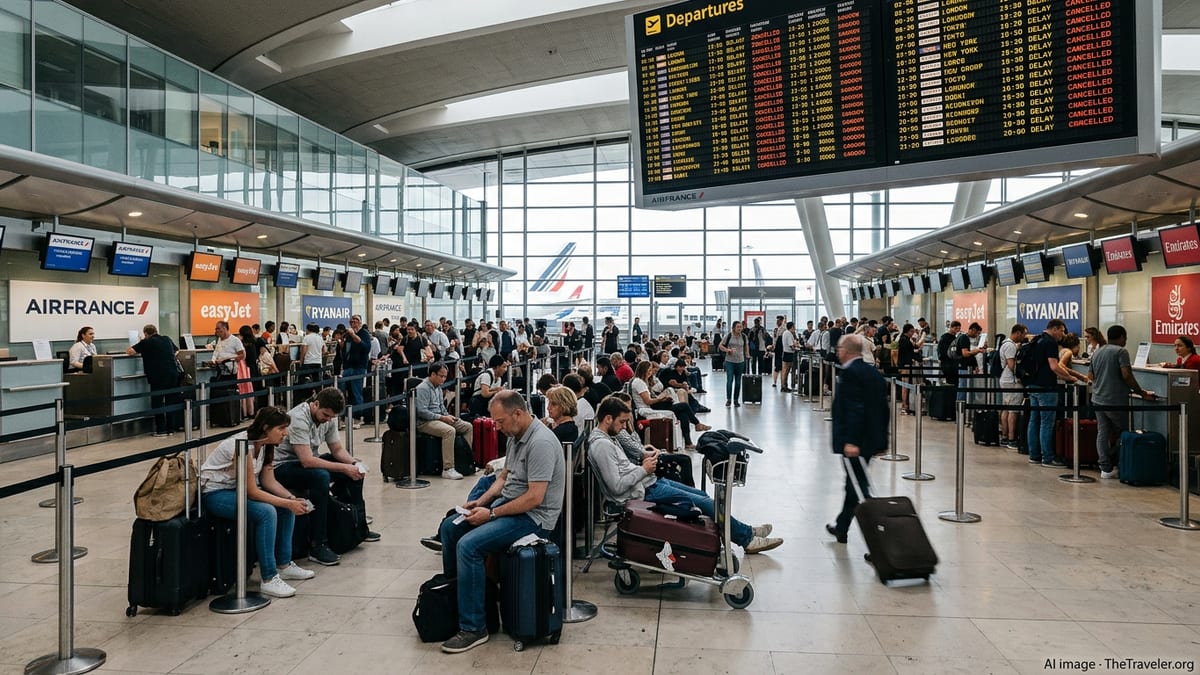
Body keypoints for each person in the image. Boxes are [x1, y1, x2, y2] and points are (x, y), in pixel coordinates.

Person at [437, 390, 565, 654]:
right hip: (510, 508)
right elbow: (503, 479)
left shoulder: (540, 442)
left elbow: (534, 498)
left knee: (469, 546)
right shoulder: (516, 436)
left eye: (500, 421)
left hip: (534, 519)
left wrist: (492, 514)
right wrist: (480, 502)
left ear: (517, 413)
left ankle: (474, 627)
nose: (497, 427)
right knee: (450, 528)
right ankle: (458, 599)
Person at [588, 396, 781, 553]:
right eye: (621, 422)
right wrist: (643, 469)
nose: (623, 426)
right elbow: (616, 486)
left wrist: (646, 461)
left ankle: (739, 530)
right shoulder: (602, 446)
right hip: (643, 492)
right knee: (705, 504)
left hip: (648, 483)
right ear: (607, 419)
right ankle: (745, 538)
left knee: (704, 497)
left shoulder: (608, 439)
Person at [200, 407, 316, 598]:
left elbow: (269, 481)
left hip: (236, 491)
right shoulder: (242, 445)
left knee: (284, 507)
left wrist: (290, 499)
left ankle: (283, 564)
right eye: (281, 428)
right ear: (266, 427)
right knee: (267, 512)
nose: (285, 433)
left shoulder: (266, 445)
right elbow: (252, 492)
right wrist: (286, 503)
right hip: (216, 494)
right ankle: (269, 578)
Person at [273, 387, 381, 567]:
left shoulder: (329, 417)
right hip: (284, 466)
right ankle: (318, 544)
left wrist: (354, 464)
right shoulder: (298, 418)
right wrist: (345, 468)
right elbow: (307, 461)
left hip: (306, 462)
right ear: (315, 404)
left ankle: (357, 526)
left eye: (331, 417)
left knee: (354, 473)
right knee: (321, 477)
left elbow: (337, 450)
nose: (328, 420)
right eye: (325, 415)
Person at [825, 335, 889, 545]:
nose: (837, 350)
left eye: (840, 347)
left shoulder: (851, 373)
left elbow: (854, 410)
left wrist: (851, 441)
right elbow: (883, 409)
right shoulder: (873, 372)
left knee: (860, 488)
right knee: (854, 484)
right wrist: (881, 442)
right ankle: (842, 526)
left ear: (849, 350)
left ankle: (883, 537)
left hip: (855, 441)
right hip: (870, 439)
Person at [1091, 325, 1157, 479]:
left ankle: (1105, 468)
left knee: (1103, 433)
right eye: (1125, 338)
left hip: (1098, 399)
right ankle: (1123, 464)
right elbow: (1126, 375)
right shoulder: (1121, 352)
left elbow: (1091, 375)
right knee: (1124, 432)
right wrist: (1140, 392)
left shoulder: (1097, 352)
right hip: (1115, 400)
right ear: (1121, 337)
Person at [1024, 319, 1084, 468]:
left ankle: (1034, 455)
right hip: (1046, 387)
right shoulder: (1050, 342)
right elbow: (1054, 366)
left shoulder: (1037, 339)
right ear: (1055, 329)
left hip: (1032, 384)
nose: (1062, 335)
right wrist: (1070, 378)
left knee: (1034, 420)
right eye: (1062, 331)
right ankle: (1048, 457)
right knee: (1046, 422)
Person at [630, 360, 710, 448]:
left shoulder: (642, 382)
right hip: (648, 408)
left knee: (682, 414)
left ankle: (688, 442)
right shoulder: (639, 383)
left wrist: (662, 398)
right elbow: (648, 401)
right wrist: (660, 399)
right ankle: (697, 424)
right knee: (684, 405)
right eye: (648, 371)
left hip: (653, 405)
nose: (650, 374)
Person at [415, 362, 474, 480]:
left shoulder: (438, 388)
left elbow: (442, 406)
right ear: (432, 374)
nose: (443, 379)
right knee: (449, 431)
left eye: (445, 377)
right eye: (441, 376)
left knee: (467, 426)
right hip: (425, 422)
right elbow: (421, 412)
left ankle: (465, 461)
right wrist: (442, 418)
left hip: (439, 418)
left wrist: (448, 416)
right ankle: (448, 468)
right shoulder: (422, 388)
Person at [126, 323, 181, 436]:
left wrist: (142, 343)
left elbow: (130, 351)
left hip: (158, 376)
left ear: (146, 334)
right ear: (156, 331)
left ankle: (161, 430)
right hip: (172, 373)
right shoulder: (166, 339)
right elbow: (176, 351)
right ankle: (171, 428)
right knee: (170, 401)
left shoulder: (146, 342)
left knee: (158, 402)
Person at [998, 324, 1028, 450]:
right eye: (1024, 334)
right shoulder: (1010, 346)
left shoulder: (1005, 343)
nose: (1024, 336)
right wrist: (1023, 375)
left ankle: (1005, 437)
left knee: (1006, 408)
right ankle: (1011, 439)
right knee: (1013, 410)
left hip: (1005, 379)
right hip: (1012, 381)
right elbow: (1011, 365)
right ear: (1018, 333)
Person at [341, 315, 372, 428]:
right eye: (352, 320)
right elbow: (346, 351)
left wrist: (354, 335)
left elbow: (366, 348)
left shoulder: (364, 333)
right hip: (348, 367)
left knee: (356, 392)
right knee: (345, 392)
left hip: (359, 367)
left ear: (360, 322)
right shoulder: (348, 335)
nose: (353, 322)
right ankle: (346, 417)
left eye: (356, 320)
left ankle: (359, 417)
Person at [720, 320, 750, 407]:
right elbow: (720, 345)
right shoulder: (729, 336)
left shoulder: (744, 336)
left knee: (738, 382)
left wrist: (747, 354)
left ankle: (736, 400)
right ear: (733, 328)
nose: (740, 328)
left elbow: (746, 346)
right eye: (738, 327)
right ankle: (729, 399)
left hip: (740, 361)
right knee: (730, 380)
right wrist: (727, 350)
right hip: (729, 361)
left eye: (741, 327)